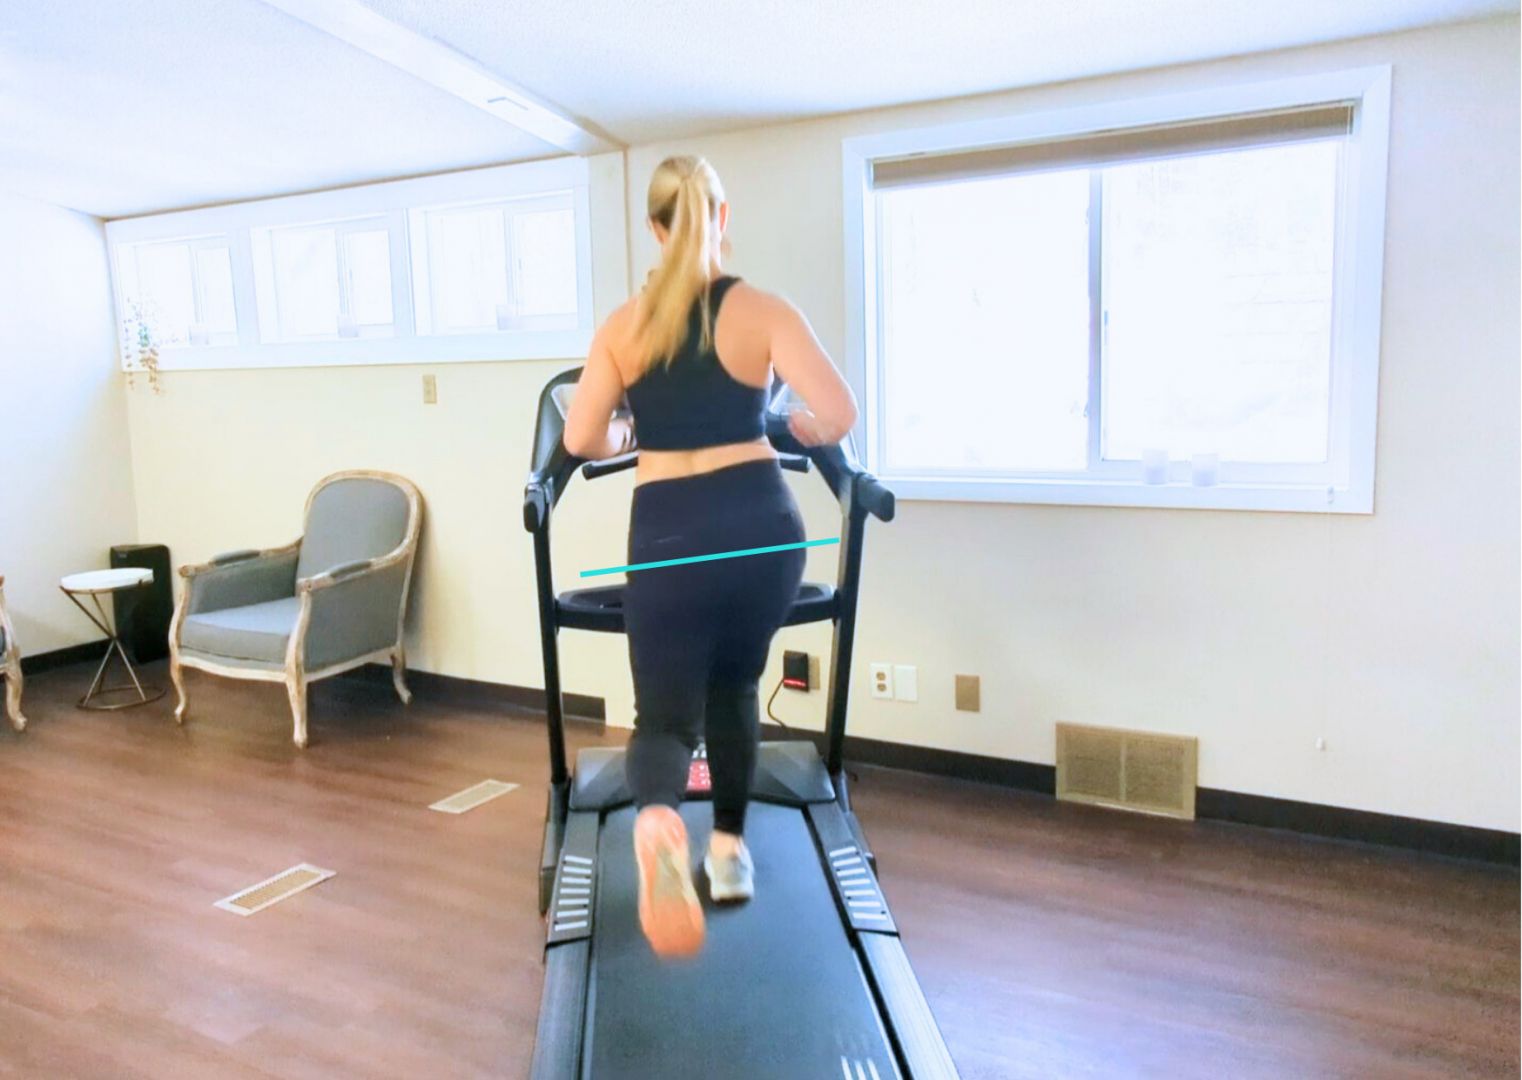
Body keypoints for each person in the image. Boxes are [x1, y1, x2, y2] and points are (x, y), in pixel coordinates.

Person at [562, 155, 857, 959]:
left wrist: (627, 432)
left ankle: (660, 819)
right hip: (763, 527)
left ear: (654, 228)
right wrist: (800, 428)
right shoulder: (763, 310)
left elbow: (581, 438)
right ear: (722, 218)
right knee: (736, 685)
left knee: (664, 718)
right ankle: (728, 855)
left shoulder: (623, 327)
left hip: (669, 532)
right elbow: (837, 412)